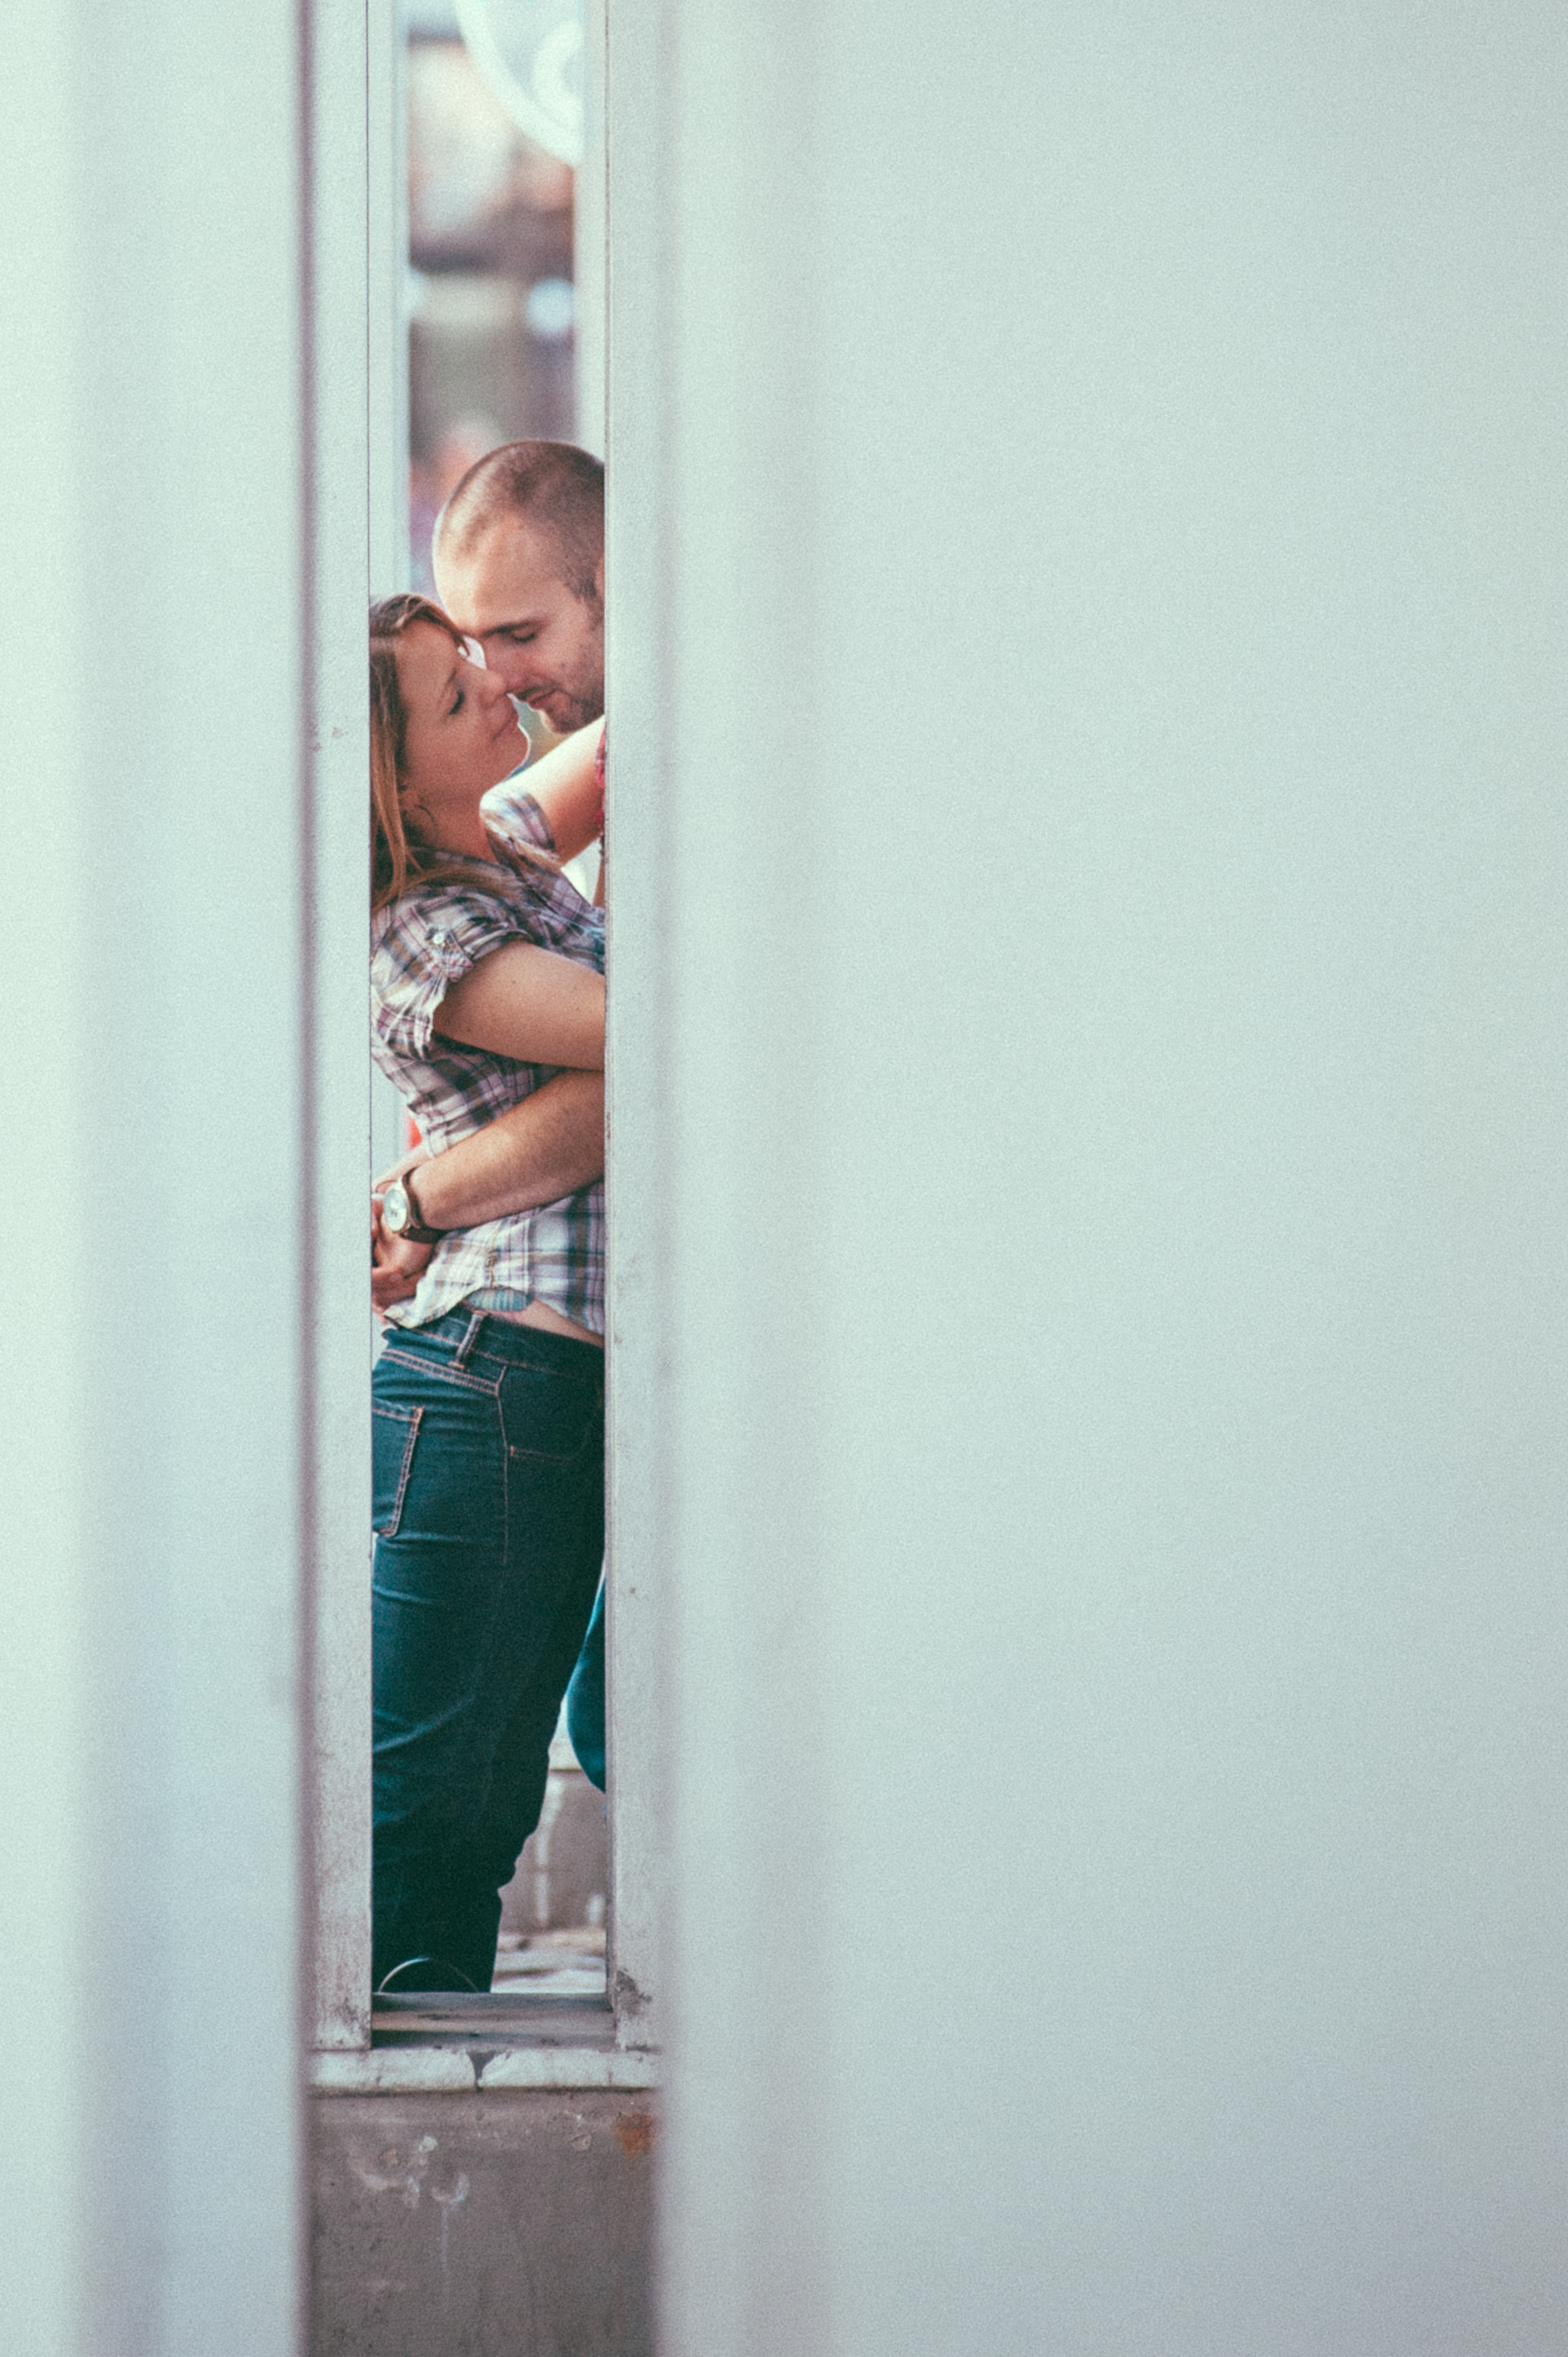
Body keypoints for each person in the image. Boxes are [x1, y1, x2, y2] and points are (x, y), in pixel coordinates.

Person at [368, 590, 609, 1994]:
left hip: (532, 1383)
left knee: (486, 1780)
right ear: (393, 779)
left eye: (478, 654)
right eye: (458, 695)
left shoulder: (503, 845)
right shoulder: (418, 931)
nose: (490, 683)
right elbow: (665, 1028)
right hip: (487, 1385)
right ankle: (397, 2160)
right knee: (440, 1798)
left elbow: (639, 732)